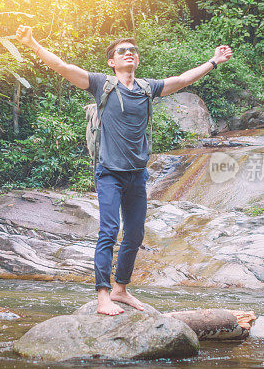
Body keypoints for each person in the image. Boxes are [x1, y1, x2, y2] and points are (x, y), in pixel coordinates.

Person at [16, 25, 233, 315]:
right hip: (108, 172)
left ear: (137, 60)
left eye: (133, 51)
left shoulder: (147, 88)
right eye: (122, 51)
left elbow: (181, 80)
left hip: (136, 174)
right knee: (109, 230)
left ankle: (121, 289)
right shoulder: (100, 84)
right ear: (112, 62)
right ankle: (103, 296)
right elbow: (62, 66)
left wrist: (213, 62)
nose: (129, 53)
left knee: (134, 234)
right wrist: (32, 44)